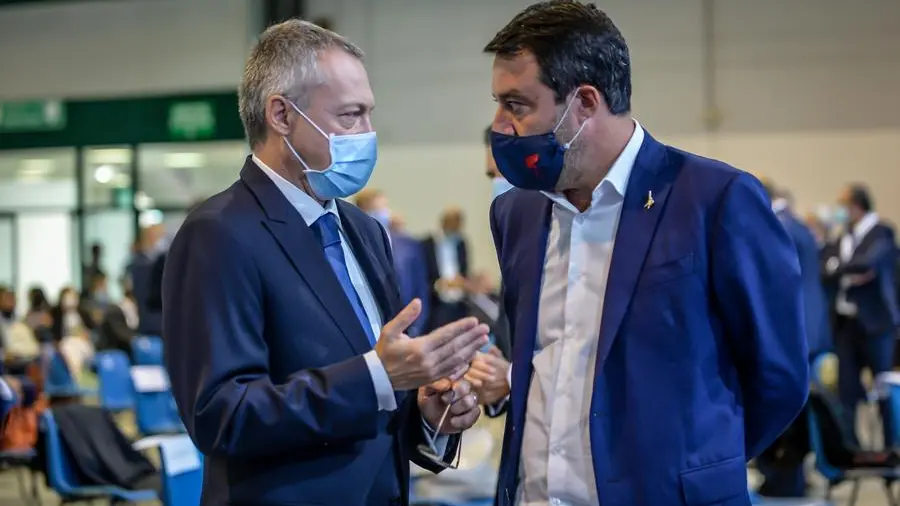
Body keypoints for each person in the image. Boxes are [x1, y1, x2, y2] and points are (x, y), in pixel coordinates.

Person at [480, 2, 808, 505]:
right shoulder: (515, 213)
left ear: (585, 102)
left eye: (516, 105)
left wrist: (700, 466)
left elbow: (779, 376)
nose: (500, 126)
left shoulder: (715, 199)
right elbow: (537, 360)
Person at [162, 20, 487, 506]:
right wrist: (377, 377)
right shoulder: (220, 232)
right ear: (281, 115)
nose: (368, 134)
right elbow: (221, 414)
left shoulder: (363, 230)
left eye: (369, 114)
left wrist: (425, 412)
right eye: (351, 115)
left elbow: (376, 399)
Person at [755, 181, 832, 497]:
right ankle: (795, 475)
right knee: (800, 406)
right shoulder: (798, 224)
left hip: (792, 327)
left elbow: (773, 279)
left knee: (787, 406)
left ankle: (787, 477)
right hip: (811, 325)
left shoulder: (779, 225)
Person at [823, 183, 899, 447]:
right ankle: (850, 448)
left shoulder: (881, 232)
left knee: (882, 388)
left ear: (857, 206)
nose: (840, 211)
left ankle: (891, 447)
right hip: (846, 324)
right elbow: (825, 268)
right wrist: (849, 271)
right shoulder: (843, 237)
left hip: (876, 325)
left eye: (843, 205)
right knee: (847, 389)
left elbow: (868, 262)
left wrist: (840, 268)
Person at [355, 188, 431, 336]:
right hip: (372, 325)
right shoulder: (355, 243)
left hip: (408, 325)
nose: (383, 213)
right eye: (376, 209)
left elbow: (420, 286)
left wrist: (417, 326)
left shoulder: (407, 244)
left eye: (384, 207)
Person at [422, 208, 471, 332]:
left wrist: (461, 281)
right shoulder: (426, 244)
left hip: (458, 303)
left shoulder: (461, 243)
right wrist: (439, 285)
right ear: (444, 223)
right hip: (436, 305)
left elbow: (464, 271)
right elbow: (420, 278)